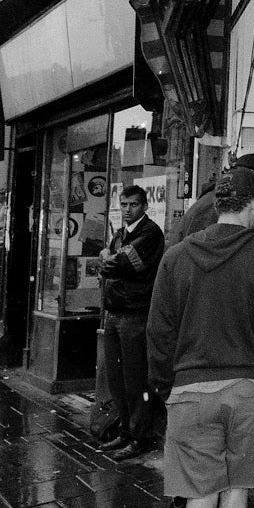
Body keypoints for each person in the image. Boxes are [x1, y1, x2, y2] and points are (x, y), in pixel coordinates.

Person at [147, 165, 254, 508]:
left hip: (190, 391)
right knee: (235, 494)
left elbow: (159, 334)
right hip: (249, 390)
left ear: (218, 204)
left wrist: (167, 386)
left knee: (199, 498)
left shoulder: (176, 258)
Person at [98, 184, 166, 462]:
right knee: (118, 381)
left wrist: (107, 258)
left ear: (145, 206)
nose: (127, 210)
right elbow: (111, 262)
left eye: (133, 205)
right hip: (114, 314)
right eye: (123, 205)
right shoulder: (120, 233)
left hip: (135, 315)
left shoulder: (150, 233)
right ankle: (125, 430)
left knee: (136, 380)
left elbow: (118, 264)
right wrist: (108, 259)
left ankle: (140, 437)